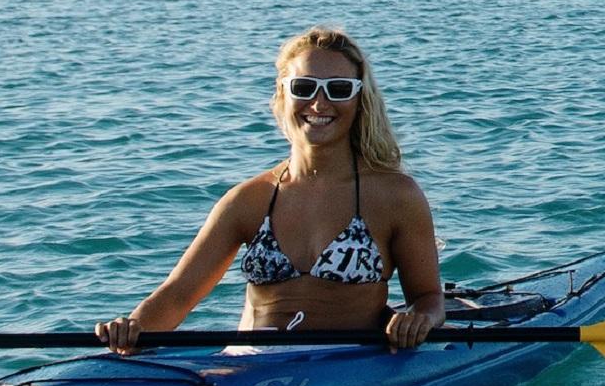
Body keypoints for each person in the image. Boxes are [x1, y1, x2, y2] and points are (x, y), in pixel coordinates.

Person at [94, 25, 447, 352]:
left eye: (338, 89)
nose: (319, 103)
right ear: (282, 94)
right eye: (304, 88)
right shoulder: (248, 200)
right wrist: (131, 328)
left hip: (346, 372)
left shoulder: (395, 197)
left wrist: (419, 319)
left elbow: (429, 297)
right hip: (251, 366)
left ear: (359, 100)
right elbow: (178, 295)